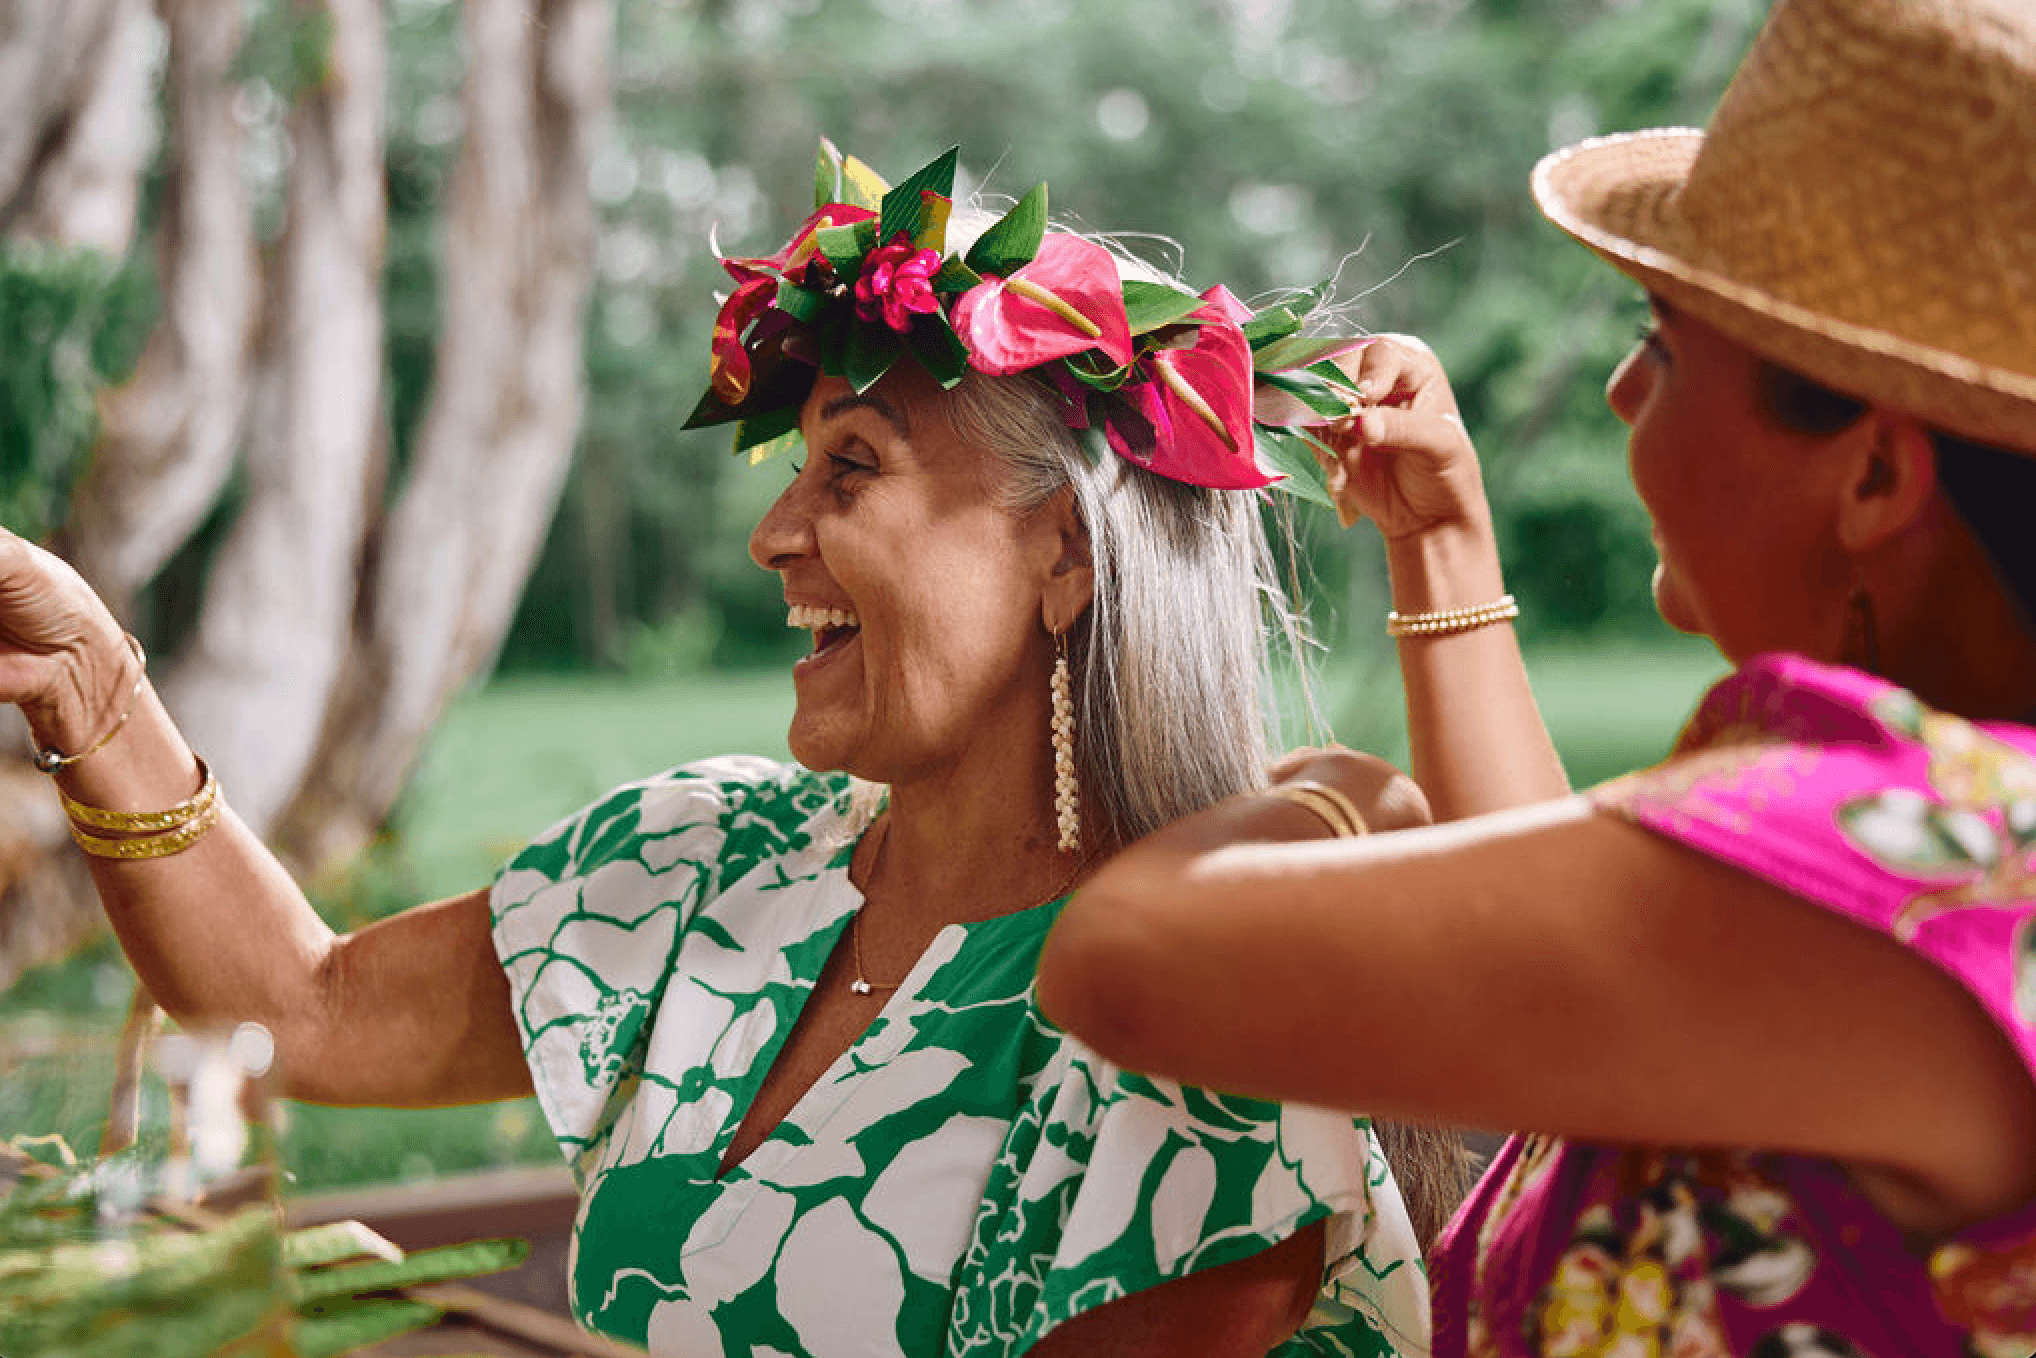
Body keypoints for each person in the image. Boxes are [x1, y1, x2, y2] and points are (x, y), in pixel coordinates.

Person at [0, 143, 1447, 1356]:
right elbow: (304, 1008)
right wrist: (84, 679)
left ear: (1064, 553)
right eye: (796, 466)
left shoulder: (1195, 1027)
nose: (773, 534)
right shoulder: (708, 857)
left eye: (852, 466)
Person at [1036, 0, 2036, 1354]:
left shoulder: (1910, 853)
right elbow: (1574, 988)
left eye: (1666, 342)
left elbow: (1125, 967)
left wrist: (1336, 801)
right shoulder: (1967, 836)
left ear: (1870, 470)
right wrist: (1440, 543)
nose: (1624, 391)